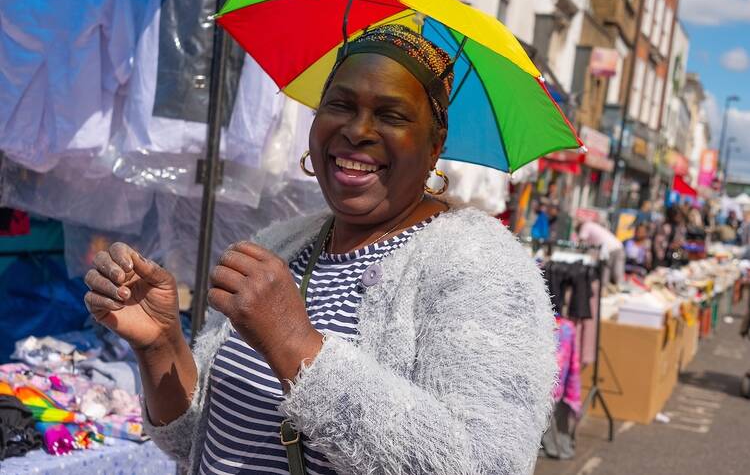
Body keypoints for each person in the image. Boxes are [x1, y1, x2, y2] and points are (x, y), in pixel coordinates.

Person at [83, 25, 556, 475]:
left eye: (391, 115)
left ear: (435, 145)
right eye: (340, 105)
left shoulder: (484, 267)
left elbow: (483, 464)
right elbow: (193, 440)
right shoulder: (280, 245)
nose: (357, 130)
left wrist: (295, 345)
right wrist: (161, 343)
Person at [575, 219, 625, 286]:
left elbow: (581, 243)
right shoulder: (593, 226)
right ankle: (612, 291)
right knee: (613, 274)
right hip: (617, 247)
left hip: (610, 249)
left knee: (612, 274)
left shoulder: (586, 226)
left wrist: (576, 255)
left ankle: (612, 290)